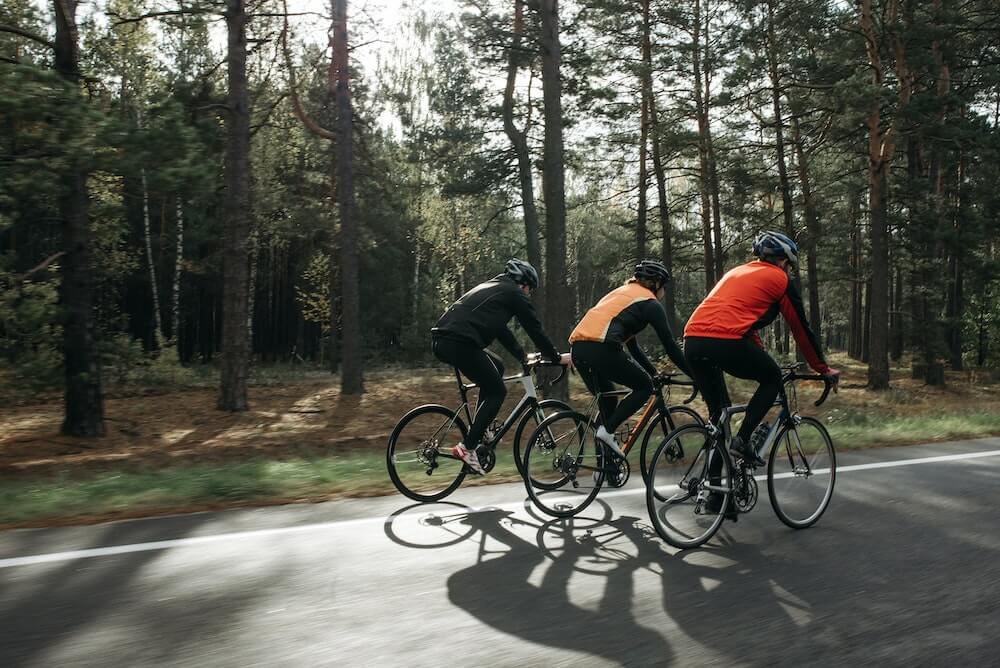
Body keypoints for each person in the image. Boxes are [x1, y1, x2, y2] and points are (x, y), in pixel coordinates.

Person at [684, 231, 840, 477]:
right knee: (771, 378)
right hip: (725, 341)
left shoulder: (735, 272)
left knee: (719, 418)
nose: (788, 270)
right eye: (789, 265)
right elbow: (801, 328)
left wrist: (760, 354)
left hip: (692, 341)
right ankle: (743, 441)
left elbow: (742, 323)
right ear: (783, 260)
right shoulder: (779, 279)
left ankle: (714, 494)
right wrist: (823, 368)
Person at [431, 259, 562, 475]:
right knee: (498, 391)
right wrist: (554, 356)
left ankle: (479, 431)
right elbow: (534, 327)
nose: (529, 294)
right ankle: (467, 447)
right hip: (459, 342)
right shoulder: (514, 293)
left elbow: (502, 331)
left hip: (445, 339)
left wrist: (521, 356)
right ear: (524, 283)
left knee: (497, 369)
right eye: (530, 289)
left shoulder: (497, 288)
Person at [569, 260, 693, 458]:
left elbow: (633, 347)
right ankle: (607, 432)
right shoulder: (650, 303)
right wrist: (694, 375)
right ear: (656, 283)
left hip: (579, 349)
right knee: (643, 387)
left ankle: (606, 466)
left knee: (609, 400)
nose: (664, 292)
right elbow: (670, 345)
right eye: (664, 286)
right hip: (602, 347)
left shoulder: (623, 294)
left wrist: (653, 372)